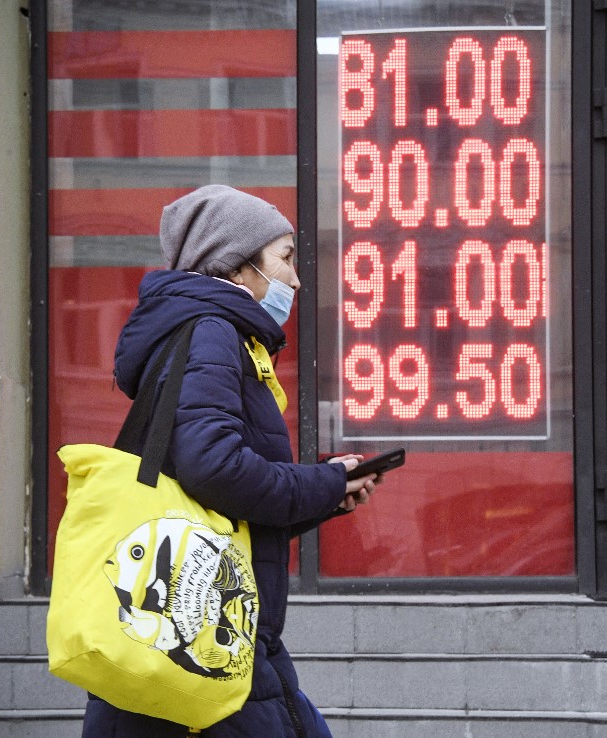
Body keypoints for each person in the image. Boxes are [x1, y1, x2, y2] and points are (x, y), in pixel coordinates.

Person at [82, 185, 379, 737]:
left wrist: (329, 491)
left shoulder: (202, 331)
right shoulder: (214, 331)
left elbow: (216, 504)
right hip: (209, 637)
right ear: (237, 266)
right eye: (285, 259)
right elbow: (213, 467)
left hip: (198, 633)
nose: (295, 280)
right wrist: (321, 482)